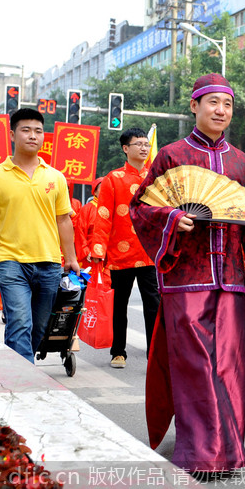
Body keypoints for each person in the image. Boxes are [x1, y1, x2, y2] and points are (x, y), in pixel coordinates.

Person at [129, 74, 245, 476]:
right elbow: (141, 209)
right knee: (194, 369)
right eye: (212, 103)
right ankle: (199, 454)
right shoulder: (171, 156)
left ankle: (228, 452)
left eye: (226, 105)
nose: (220, 111)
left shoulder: (241, 162)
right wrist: (172, 218)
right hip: (185, 282)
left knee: (230, 367)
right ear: (194, 106)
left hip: (229, 281)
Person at [0, 108, 79, 363]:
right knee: (19, 322)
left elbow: (63, 220)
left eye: (38, 131)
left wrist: (70, 258)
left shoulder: (56, 177)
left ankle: (17, 367)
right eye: (26, 130)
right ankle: (23, 382)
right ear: (13, 135)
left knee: (39, 328)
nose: (33, 136)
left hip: (49, 263)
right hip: (11, 262)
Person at [89, 128, 160, 369]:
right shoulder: (113, 178)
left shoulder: (157, 178)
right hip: (120, 254)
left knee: (154, 305)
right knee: (119, 304)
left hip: (150, 253)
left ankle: (155, 353)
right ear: (125, 148)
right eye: (138, 143)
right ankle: (118, 351)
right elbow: (104, 216)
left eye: (146, 144)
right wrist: (98, 250)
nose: (143, 148)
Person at [74, 176, 103, 266]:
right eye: (103, 188)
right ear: (95, 191)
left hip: (108, 256)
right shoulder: (87, 209)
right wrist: (86, 252)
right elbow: (80, 233)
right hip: (90, 256)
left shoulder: (113, 209)